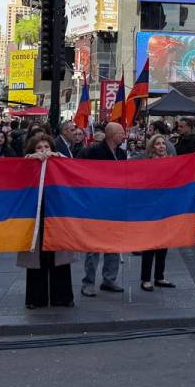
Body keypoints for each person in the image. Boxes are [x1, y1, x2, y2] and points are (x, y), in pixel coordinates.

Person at [17, 134, 75, 309]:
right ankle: (35, 298)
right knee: (36, 256)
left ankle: (63, 297)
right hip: (34, 215)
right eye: (39, 148)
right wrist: (30, 159)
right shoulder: (28, 163)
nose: (43, 151)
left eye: (47, 147)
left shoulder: (59, 162)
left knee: (59, 255)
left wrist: (57, 157)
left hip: (57, 213)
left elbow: (72, 167)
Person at [77, 122, 127, 297]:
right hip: (95, 205)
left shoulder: (121, 153)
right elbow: (79, 173)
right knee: (93, 247)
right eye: (122, 132)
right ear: (113, 135)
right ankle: (88, 282)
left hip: (114, 205)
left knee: (114, 244)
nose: (124, 135)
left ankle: (109, 279)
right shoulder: (92, 152)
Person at [138, 135, 178, 292]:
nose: (162, 146)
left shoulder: (172, 162)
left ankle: (159, 277)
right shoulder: (147, 164)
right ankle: (146, 279)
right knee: (150, 245)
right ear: (152, 147)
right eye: (158, 144)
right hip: (151, 208)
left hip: (167, 208)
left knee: (163, 244)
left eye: (163, 143)